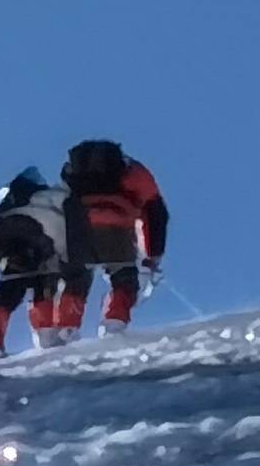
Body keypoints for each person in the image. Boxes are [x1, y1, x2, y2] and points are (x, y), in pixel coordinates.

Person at [46, 138, 170, 337]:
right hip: (116, 226)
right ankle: (114, 322)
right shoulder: (135, 173)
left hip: (77, 228)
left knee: (75, 277)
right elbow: (155, 215)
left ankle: (66, 327)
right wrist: (152, 256)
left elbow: (59, 204)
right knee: (124, 277)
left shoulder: (75, 174)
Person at [0, 168, 69, 359]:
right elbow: (59, 233)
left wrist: (0, 260)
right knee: (44, 286)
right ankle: (46, 334)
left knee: (5, 296)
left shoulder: (5, 209)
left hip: (10, 253)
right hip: (39, 249)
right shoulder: (45, 201)